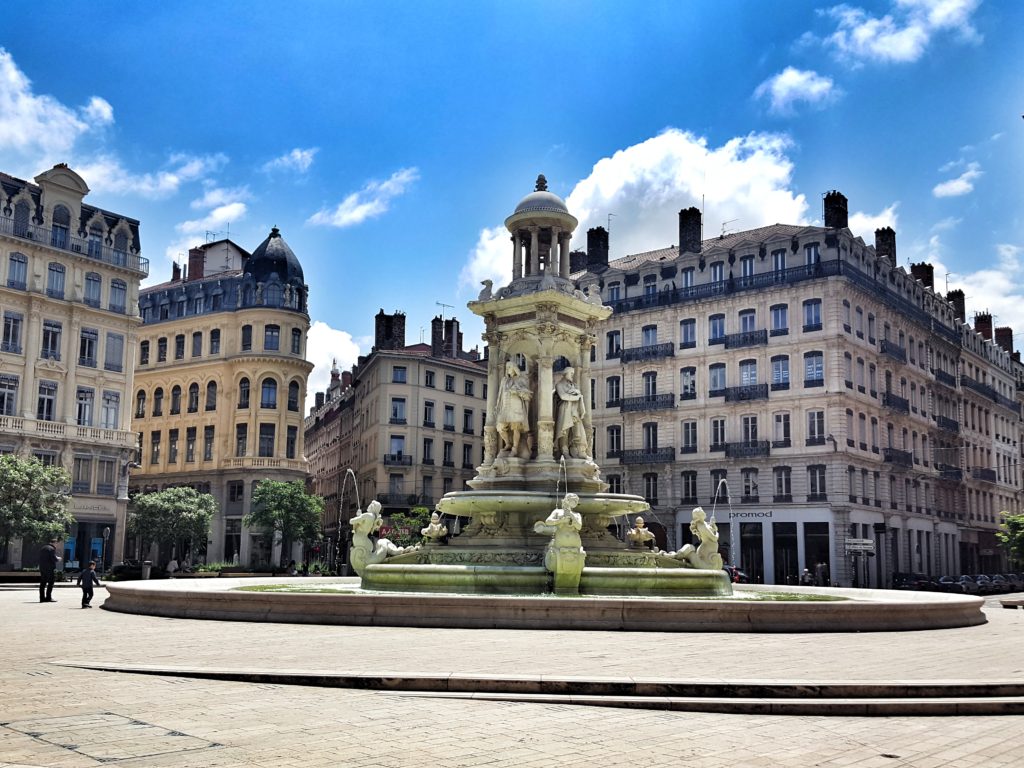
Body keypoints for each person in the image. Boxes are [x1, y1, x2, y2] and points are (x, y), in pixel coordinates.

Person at [554, 367, 588, 459]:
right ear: (565, 374)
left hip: (574, 410)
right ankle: (564, 452)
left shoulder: (574, 385)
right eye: (571, 373)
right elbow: (563, 396)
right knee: (564, 431)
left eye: (573, 373)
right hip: (564, 409)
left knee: (578, 431)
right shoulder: (559, 385)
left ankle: (578, 451)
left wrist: (578, 397)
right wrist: (577, 397)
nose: (572, 375)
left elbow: (579, 395)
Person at [38, 538, 61, 603]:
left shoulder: (43, 548)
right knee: (51, 583)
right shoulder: (52, 549)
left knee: (43, 583)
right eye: (56, 544)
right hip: (50, 568)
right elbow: (53, 558)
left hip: (42, 568)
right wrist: (58, 559)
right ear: (54, 543)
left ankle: (42, 598)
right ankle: (48, 597)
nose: (57, 545)